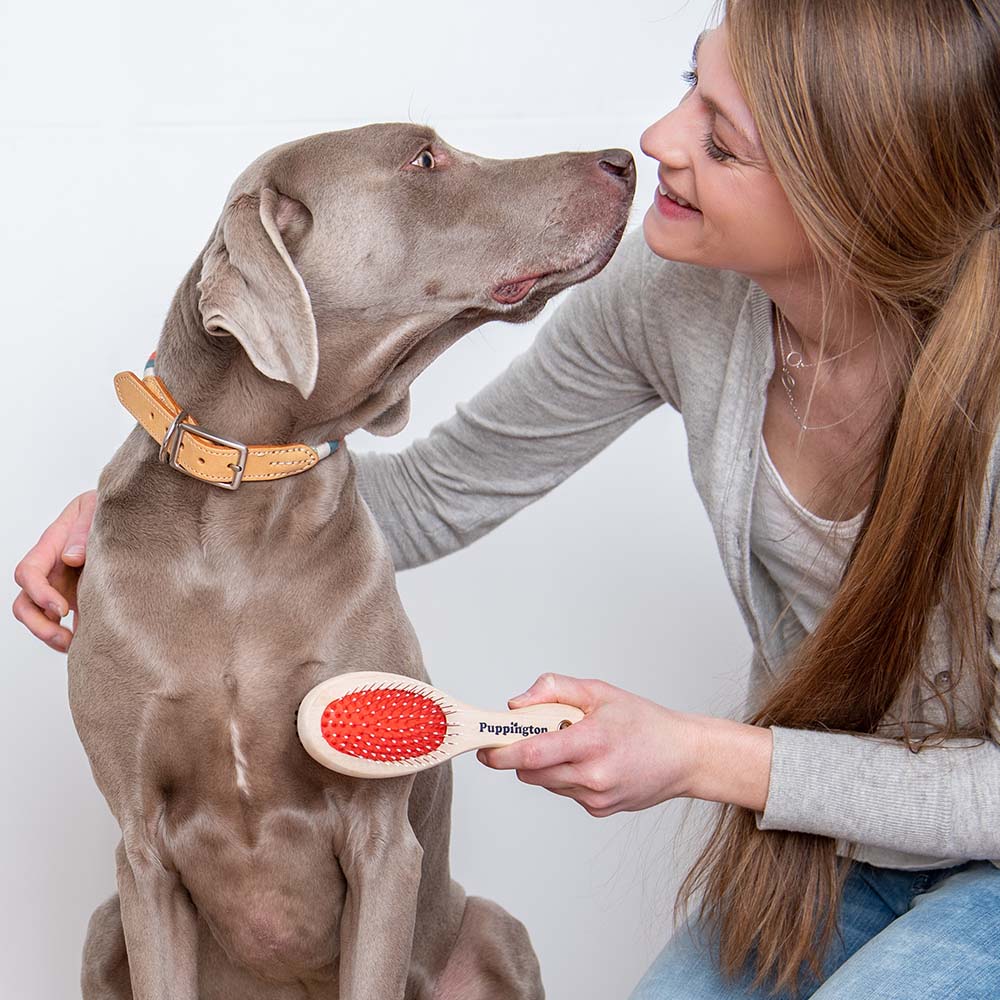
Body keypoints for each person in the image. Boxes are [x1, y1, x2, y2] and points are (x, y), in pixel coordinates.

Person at [13, 1, 1000, 996]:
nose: (658, 140)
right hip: (827, 853)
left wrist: (698, 755)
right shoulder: (675, 303)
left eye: (723, 140)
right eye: (687, 82)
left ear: (856, 199)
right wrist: (168, 499)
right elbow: (439, 489)